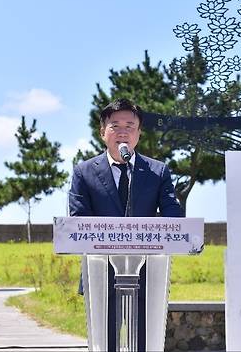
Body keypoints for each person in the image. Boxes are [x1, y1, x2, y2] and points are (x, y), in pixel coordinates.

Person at [68, 98, 184, 351]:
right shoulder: (84, 172)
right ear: (102, 132)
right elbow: (78, 222)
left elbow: (173, 218)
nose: (122, 132)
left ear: (139, 134)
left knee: (144, 341)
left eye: (130, 126)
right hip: (100, 271)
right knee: (105, 342)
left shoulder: (157, 171)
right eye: (115, 125)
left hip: (148, 271)